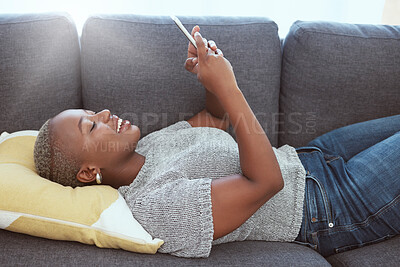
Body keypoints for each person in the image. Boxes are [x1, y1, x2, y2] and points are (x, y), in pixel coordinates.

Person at [33, 25, 400, 258]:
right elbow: (266, 183)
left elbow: (214, 119)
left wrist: (209, 80)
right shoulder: (154, 208)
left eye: (93, 113)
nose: (105, 114)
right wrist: (228, 85)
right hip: (329, 206)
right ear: (87, 172)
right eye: (91, 127)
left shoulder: (153, 145)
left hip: (312, 159)